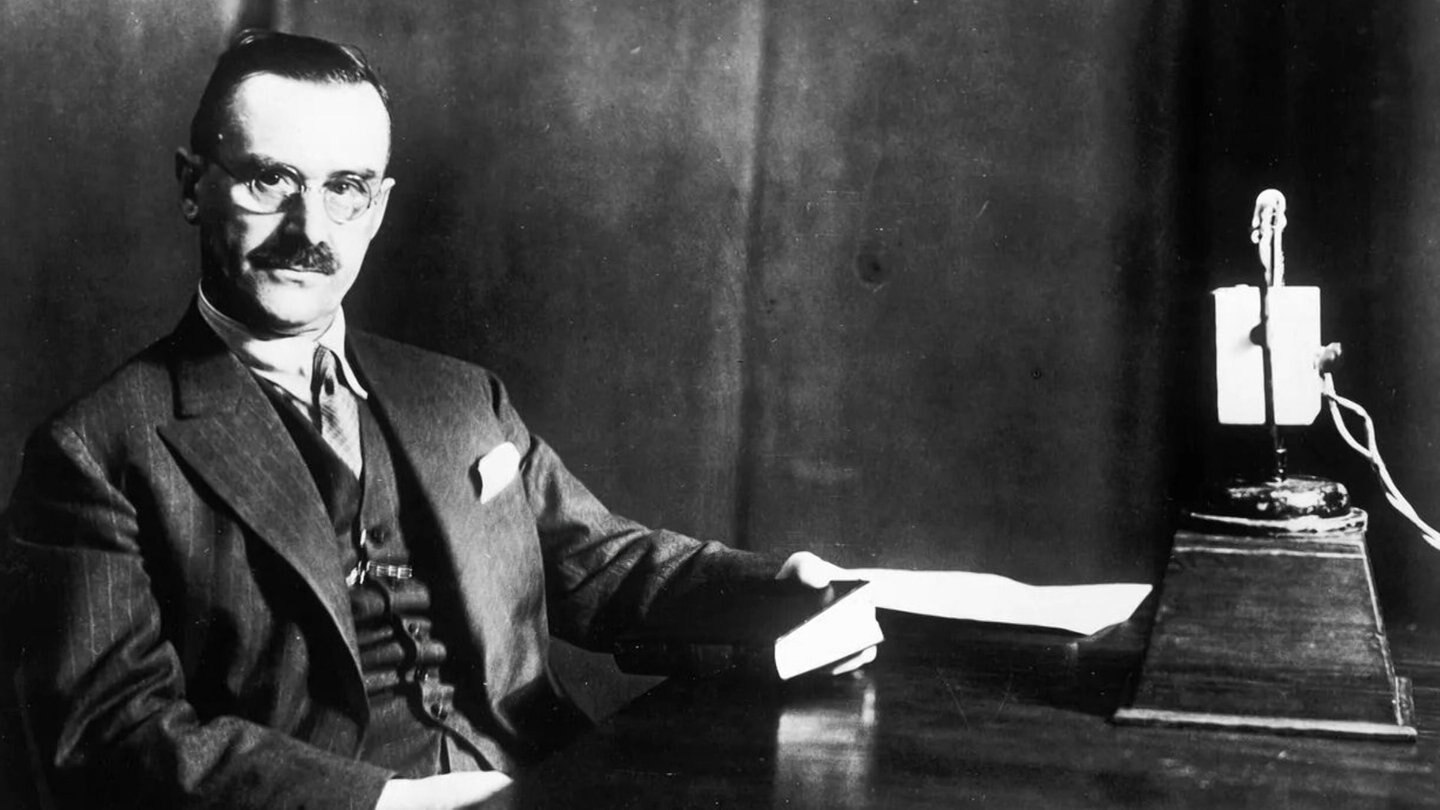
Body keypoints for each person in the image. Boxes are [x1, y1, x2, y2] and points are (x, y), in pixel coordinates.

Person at [0, 30, 870, 810]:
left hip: (552, 781)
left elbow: (603, 569)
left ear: (377, 207)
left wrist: (783, 587)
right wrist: (388, 803)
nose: (309, 227)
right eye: (269, 180)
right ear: (194, 185)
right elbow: (108, 733)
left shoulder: (458, 397)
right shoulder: (94, 451)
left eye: (345, 188)